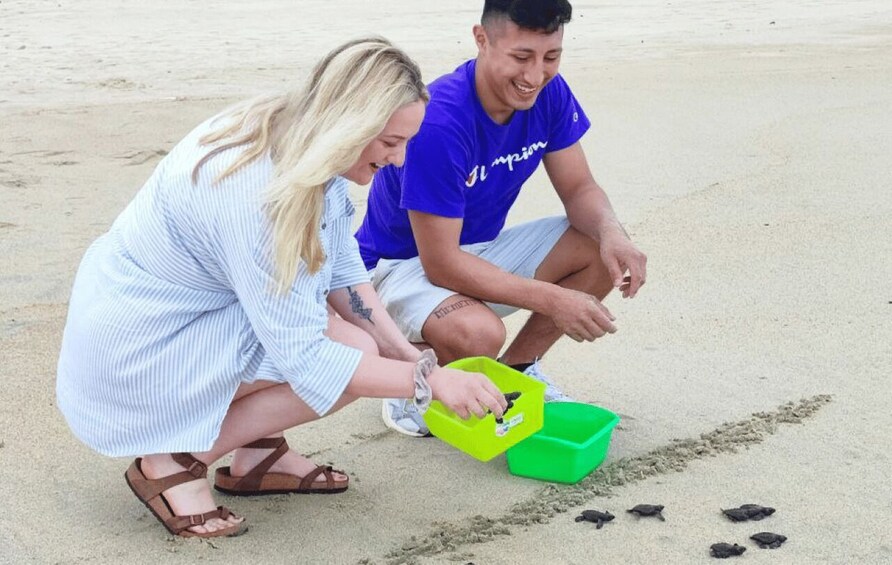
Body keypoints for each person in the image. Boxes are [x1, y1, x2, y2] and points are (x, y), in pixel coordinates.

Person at [56, 37, 507, 539]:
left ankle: (257, 453)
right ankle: (173, 461)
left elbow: (342, 274)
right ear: (349, 124)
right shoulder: (256, 197)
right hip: (135, 351)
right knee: (346, 351)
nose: (398, 161)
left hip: (165, 316)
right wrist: (429, 384)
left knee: (351, 338)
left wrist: (413, 359)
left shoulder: (301, 141)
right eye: (389, 142)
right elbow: (306, 357)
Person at [355, 0, 647, 437]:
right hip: (396, 268)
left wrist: (612, 232)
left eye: (551, 57)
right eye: (521, 57)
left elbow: (581, 190)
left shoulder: (548, 92)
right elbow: (442, 264)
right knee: (478, 333)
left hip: (474, 249)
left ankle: (517, 373)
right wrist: (553, 299)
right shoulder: (440, 119)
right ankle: (414, 384)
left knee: (597, 247)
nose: (535, 76)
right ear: (481, 39)